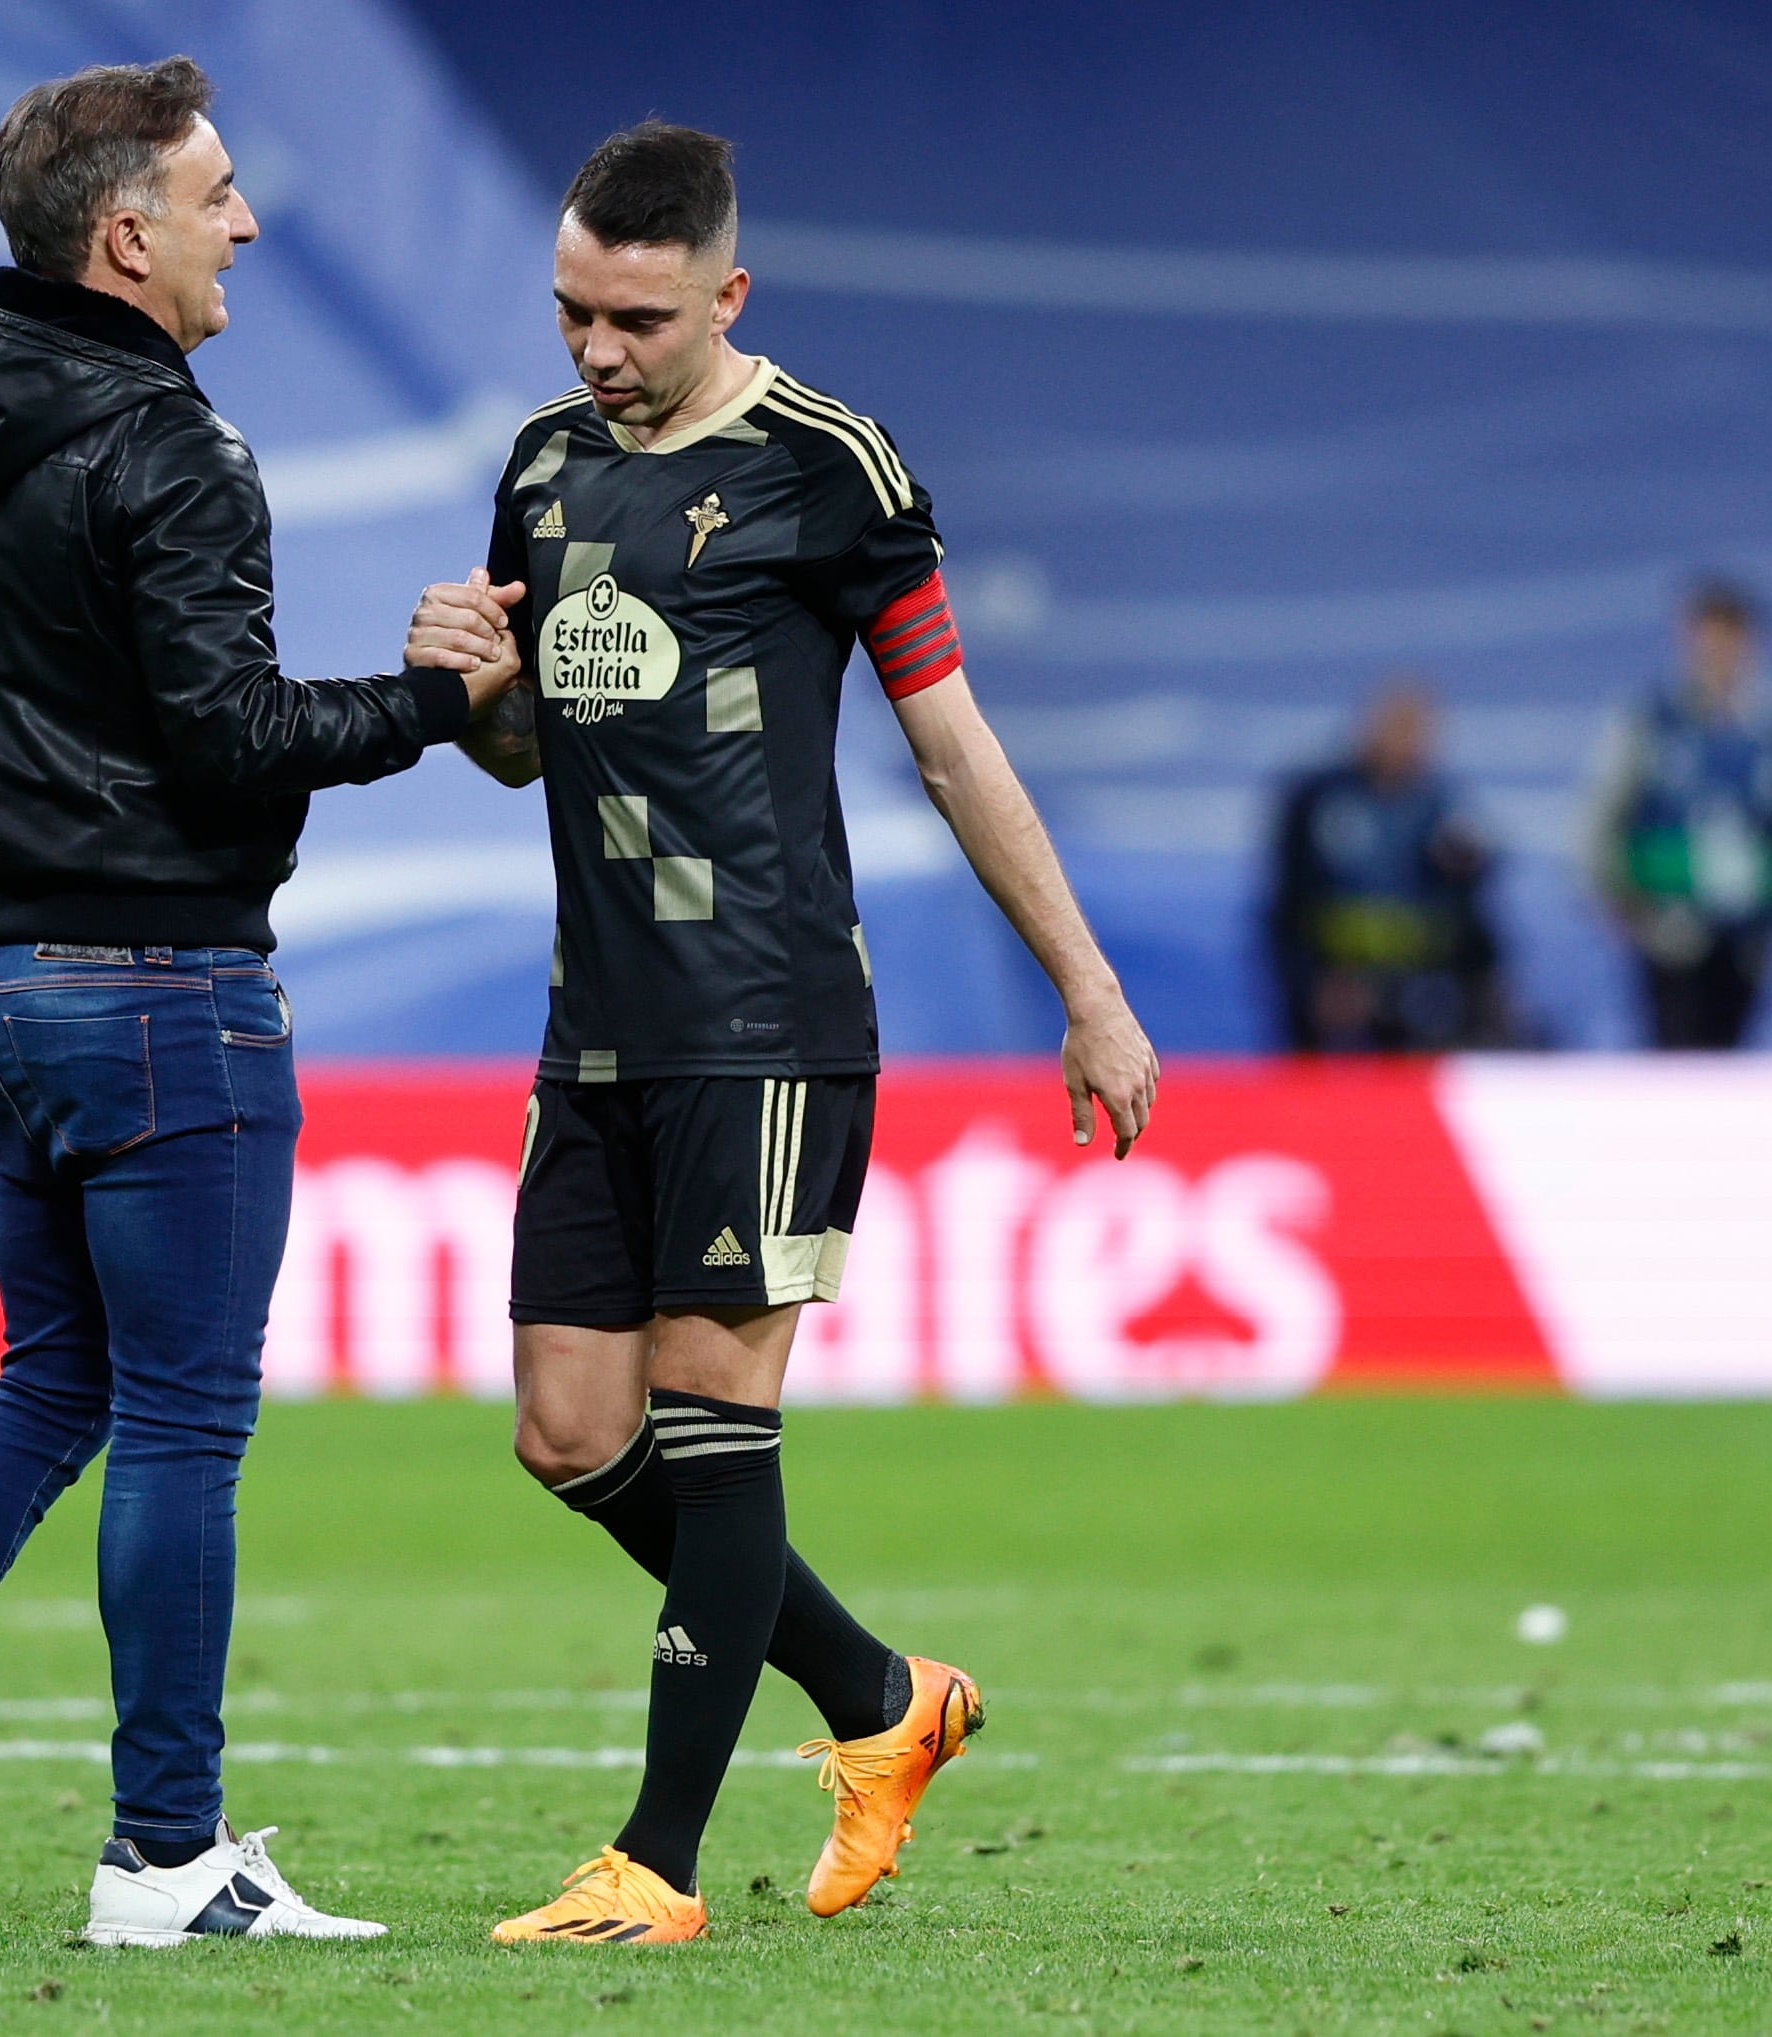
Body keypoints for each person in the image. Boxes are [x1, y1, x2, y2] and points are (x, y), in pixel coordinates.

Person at [0, 58, 508, 1948]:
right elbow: (236, 741)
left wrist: (6, 872)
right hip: (166, 992)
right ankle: (165, 1855)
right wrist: (431, 698)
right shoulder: (173, 444)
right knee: (179, 1421)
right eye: (219, 192)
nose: (248, 222)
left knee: (51, 1386)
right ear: (125, 232)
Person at [410, 124, 1157, 1945]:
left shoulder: (832, 467)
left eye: (640, 320)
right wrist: (473, 697)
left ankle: (653, 1866)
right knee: (569, 1431)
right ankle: (890, 1703)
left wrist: (1088, 985)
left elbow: (952, 741)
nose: (600, 351)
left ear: (725, 295)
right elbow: (528, 747)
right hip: (598, 1022)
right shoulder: (541, 467)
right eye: (577, 312)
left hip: (765, 1013)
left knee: (713, 1407)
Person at [1583, 579, 1772, 1050]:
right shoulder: (1652, 719)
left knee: (1732, 1054)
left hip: (1749, 931)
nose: (1719, 651)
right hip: (1667, 928)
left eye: (1731, 637)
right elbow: (1602, 812)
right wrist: (1615, 898)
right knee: (1675, 1052)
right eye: (1708, 637)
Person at [1265, 678, 1505, 1052]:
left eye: (1418, 730)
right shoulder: (1318, 802)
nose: (1406, 742)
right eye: (1397, 727)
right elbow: (1287, 905)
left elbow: (1471, 910)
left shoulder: (1444, 808)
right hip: (1335, 983)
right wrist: (1309, 983)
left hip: (1421, 987)